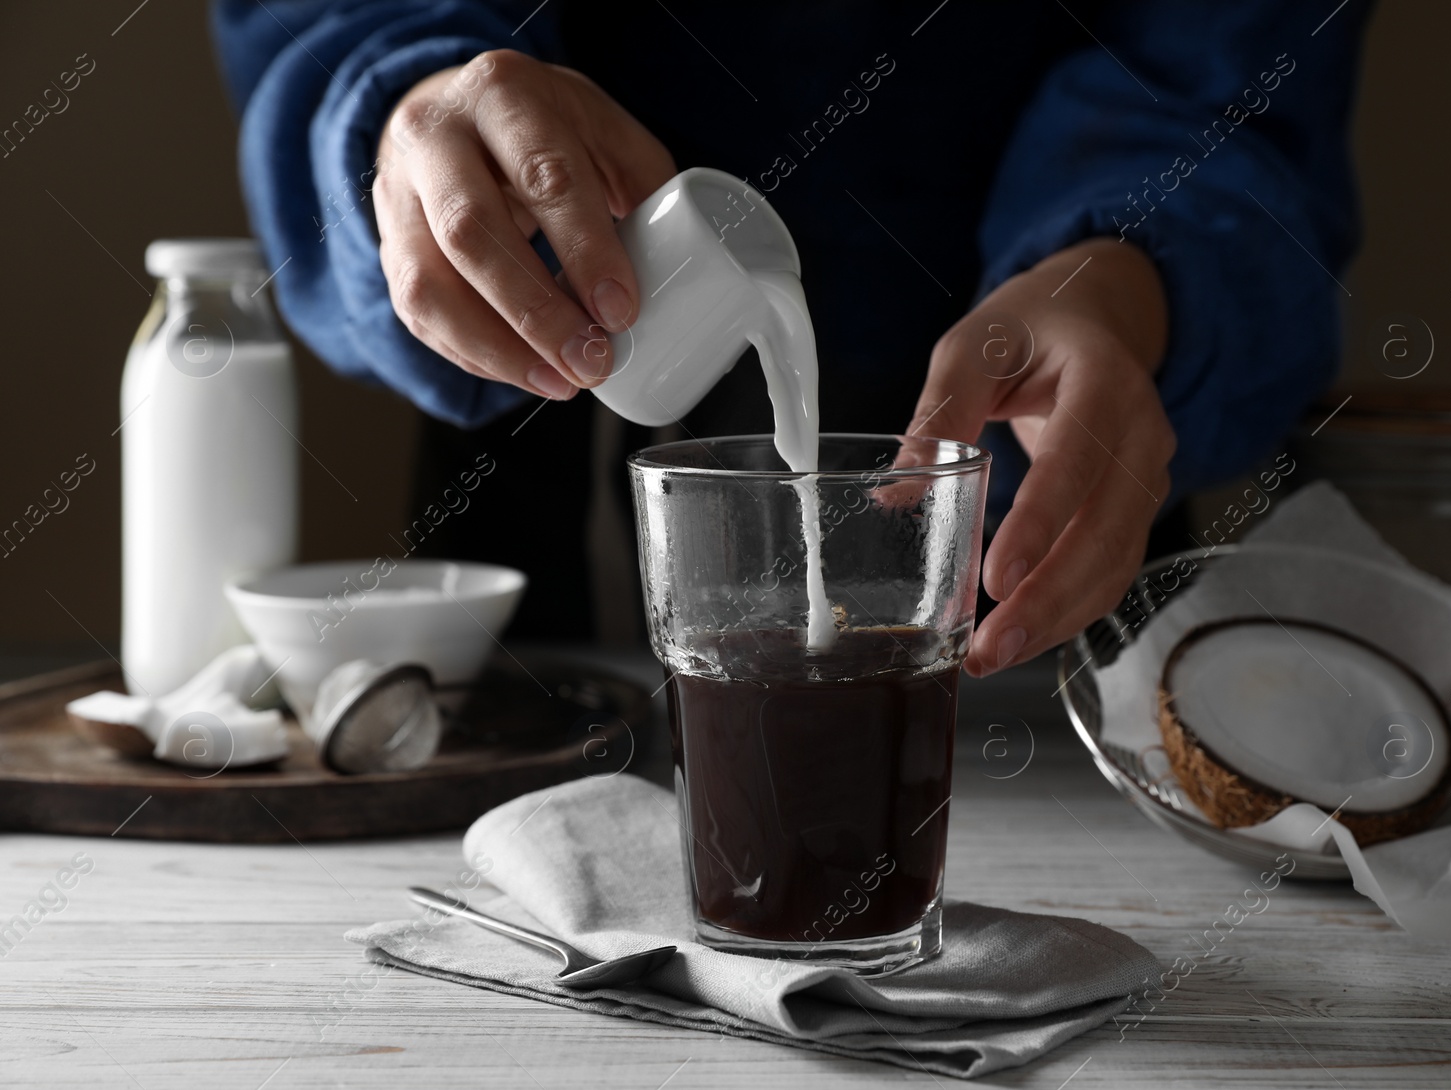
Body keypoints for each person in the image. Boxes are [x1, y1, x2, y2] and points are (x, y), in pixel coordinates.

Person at [212, 0, 1370, 676]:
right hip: (538, 428)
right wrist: (408, 111)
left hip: (1051, 456)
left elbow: (1236, 68)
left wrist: (1125, 266)